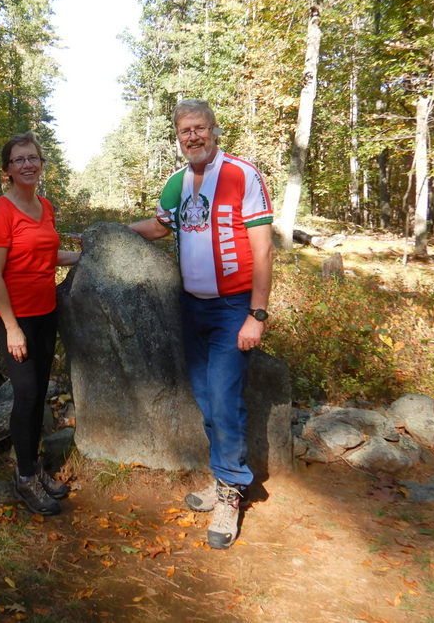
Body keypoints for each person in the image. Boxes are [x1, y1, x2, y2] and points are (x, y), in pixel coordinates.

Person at [130, 100, 273, 549]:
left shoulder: (242, 175)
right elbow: (158, 228)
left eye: (199, 128)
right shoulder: (176, 183)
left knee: (226, 401)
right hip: (191, 308)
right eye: (184, 131)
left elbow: (264, 249)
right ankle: (225, 478)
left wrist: (257, 314)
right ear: (178, 136)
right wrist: (104, 235)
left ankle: (231, 493)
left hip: (234, 308)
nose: (192, 136)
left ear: (214, 130)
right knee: (208, 401)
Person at [0, 132, 80, 516]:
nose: (27, 164)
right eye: (19, 159)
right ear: (7, 169)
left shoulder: (46, 206)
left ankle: (35, 469)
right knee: (24, 396)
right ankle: (24, 478)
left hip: (45, 312)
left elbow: (50, 254)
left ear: (41, 163)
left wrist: (88, 255)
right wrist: (11, 328)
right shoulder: (0, 214)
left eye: (33, 158)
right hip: (15, 317)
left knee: (38, 393)